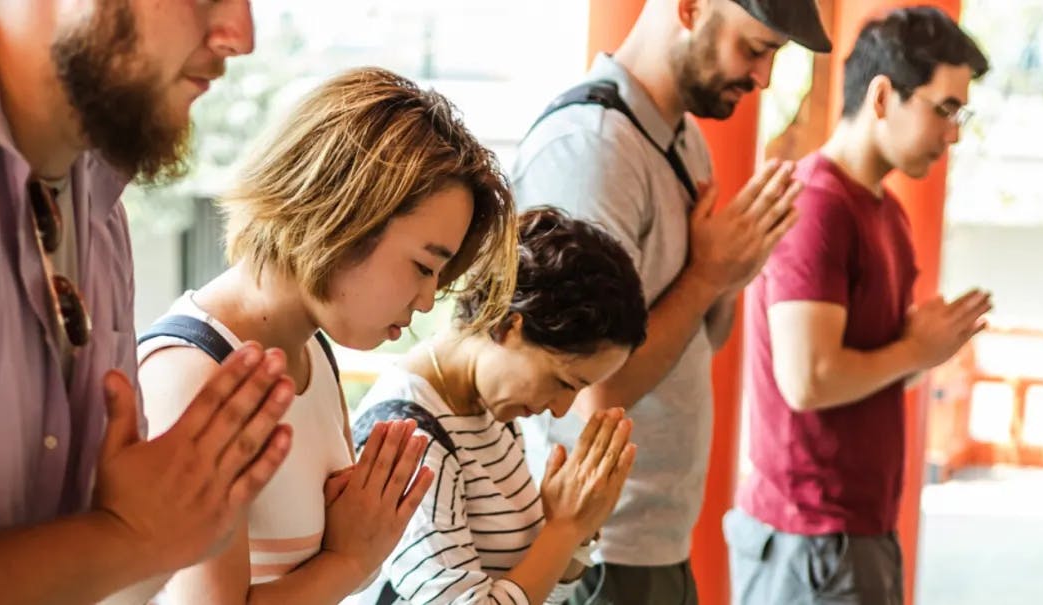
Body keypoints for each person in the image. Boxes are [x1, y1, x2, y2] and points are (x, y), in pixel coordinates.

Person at [137, 67, 520, 604]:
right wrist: (351, 559)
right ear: (346, 213)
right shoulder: (196, 373)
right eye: (422, 265)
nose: (428, 299)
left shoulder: (313, 352)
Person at [0, 2, 299, 603]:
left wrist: (162, 535)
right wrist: (133, 538)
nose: (239, 37)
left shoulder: (100, 208)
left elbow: (111, 581)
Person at [510, 0, 832, 602]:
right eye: (756, 48)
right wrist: (709, 275)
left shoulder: (684, 143)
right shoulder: (592, 148)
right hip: (597, 549)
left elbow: (700, 341)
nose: (763, 78)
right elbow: (587, 389)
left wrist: (736, 267)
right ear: (689, 8)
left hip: (658, 541)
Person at [725, 7, 992, 604]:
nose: (953, 134)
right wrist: (915, 349)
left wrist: (927, 348)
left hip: (856, 532)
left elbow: (877, 367)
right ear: (881, 97)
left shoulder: (885, 211)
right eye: (944, 109)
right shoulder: (819, 205)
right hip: (810, 542)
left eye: (961, 114)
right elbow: (808, 379)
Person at [346, 207, 647, 605]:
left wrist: (575, 531)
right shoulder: (412, 437)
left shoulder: (488, 412)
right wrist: (564, 531)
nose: (560, 410)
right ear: (508, 326)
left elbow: (536, 592)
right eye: (561, 382)